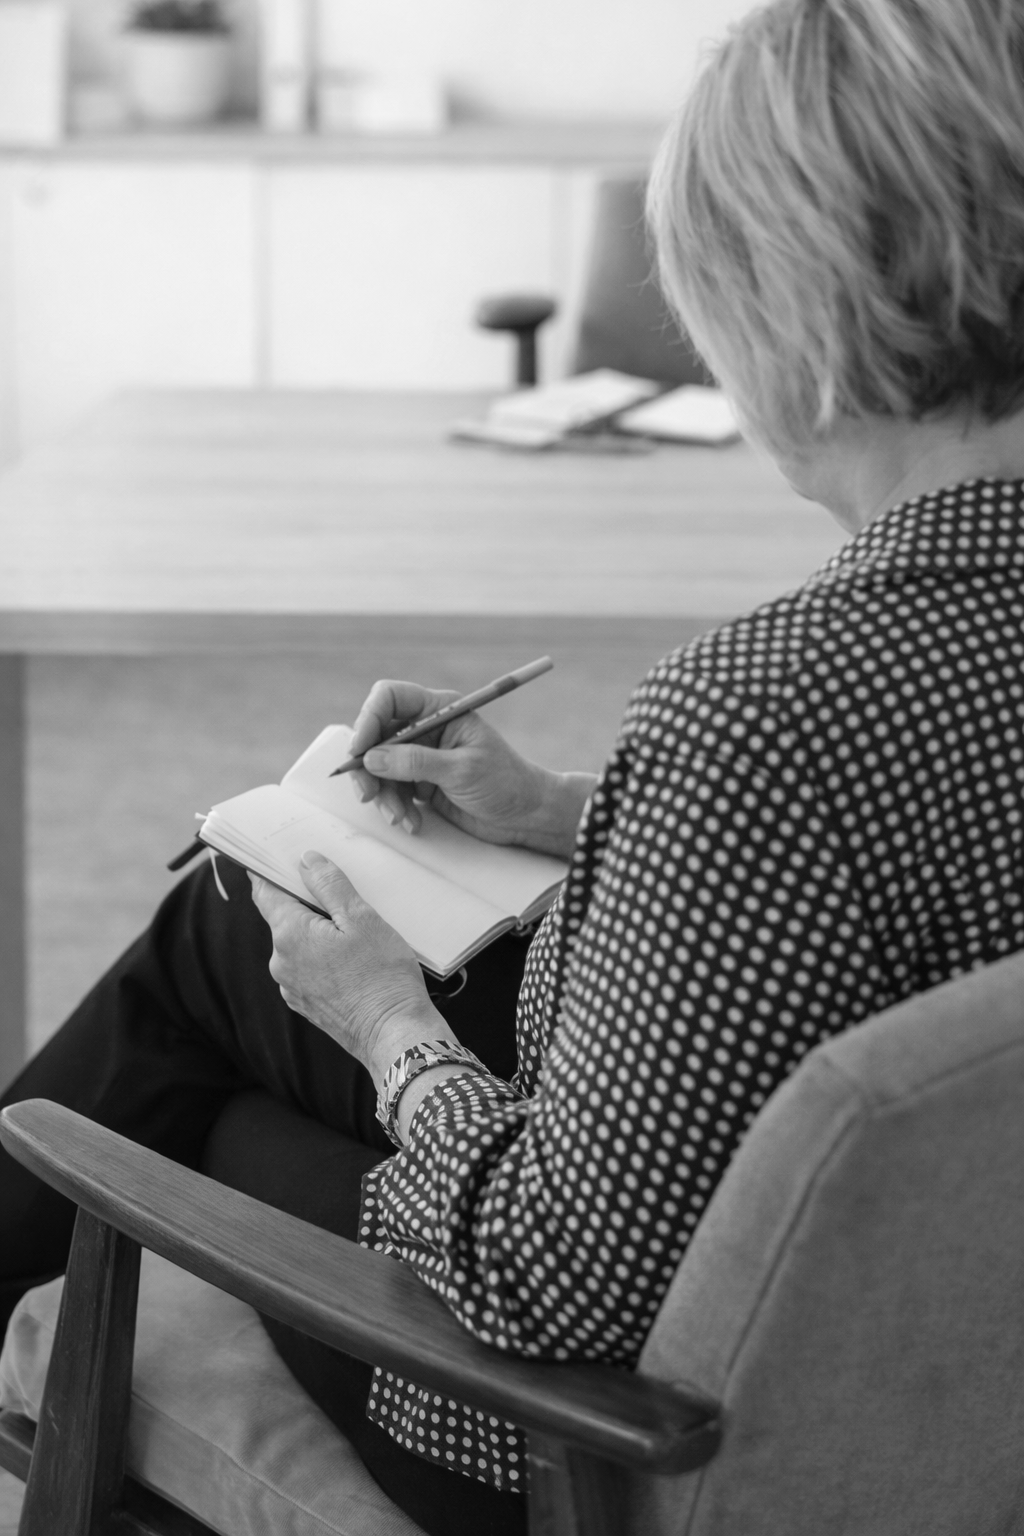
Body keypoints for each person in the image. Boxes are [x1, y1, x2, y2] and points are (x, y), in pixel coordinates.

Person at [4, 0, 1024, 1531]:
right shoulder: (851, 706)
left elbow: (549, 1280)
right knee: (233, 925)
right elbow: (911, 875)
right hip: (954, 1321)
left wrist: (390, 1026)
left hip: (627, 1434)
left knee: (202, 1122)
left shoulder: (760, 719)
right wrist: (561, 814)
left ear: (795, 327)